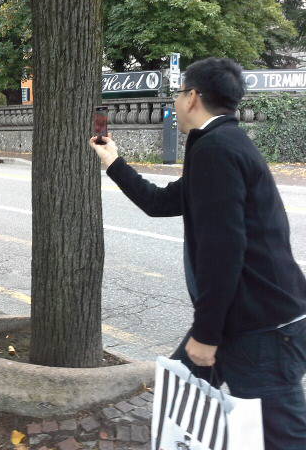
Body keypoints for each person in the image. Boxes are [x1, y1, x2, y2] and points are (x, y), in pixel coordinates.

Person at [90, 57, 306, 450]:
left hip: (260, 327)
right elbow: (159, 202)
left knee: (282, 438)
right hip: (242, 316)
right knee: (181, 402)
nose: (174, 101)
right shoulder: (219, 143)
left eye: (178, 93)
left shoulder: (217, 150)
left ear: (193, 97)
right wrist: (114, 161)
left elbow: (223, 251)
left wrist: (206, 334)